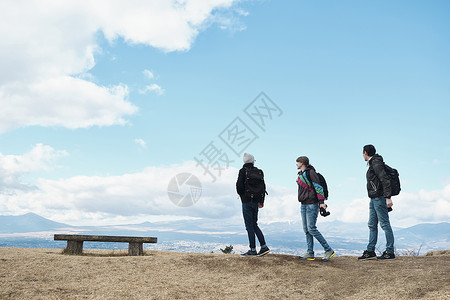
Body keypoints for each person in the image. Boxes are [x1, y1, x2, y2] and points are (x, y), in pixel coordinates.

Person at [358, 144, 396, 260]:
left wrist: (388, 197)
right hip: (373, 198)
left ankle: (390, 252)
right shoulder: (374, 163)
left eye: (362, 153)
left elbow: (384, 179)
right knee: (372, 225)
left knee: (384, 224)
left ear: (365, 152)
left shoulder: (376, 163)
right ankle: (370, 251)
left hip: (379, 198)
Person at [296, 156, 335, 261]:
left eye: (297, 162)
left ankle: (328, 249)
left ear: (302, 163)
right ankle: (310, 252)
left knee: (311, 228)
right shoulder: (300, 174)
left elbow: (318, 187)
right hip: (303, 204)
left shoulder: (311, 173)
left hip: (312, 204)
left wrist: (321, 202)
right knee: (306, 230)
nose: (296, 164)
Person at [236, 153, 270, 257]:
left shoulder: (243, 171)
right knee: (254, 224)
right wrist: (261, 201)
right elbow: (263, 187)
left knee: (249, 226)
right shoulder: (259, 172)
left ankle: (252, 249)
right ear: (253, 161)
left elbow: (239, 187)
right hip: (256, 201)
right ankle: (263, 247)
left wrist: (242, 196)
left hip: (246, 201)